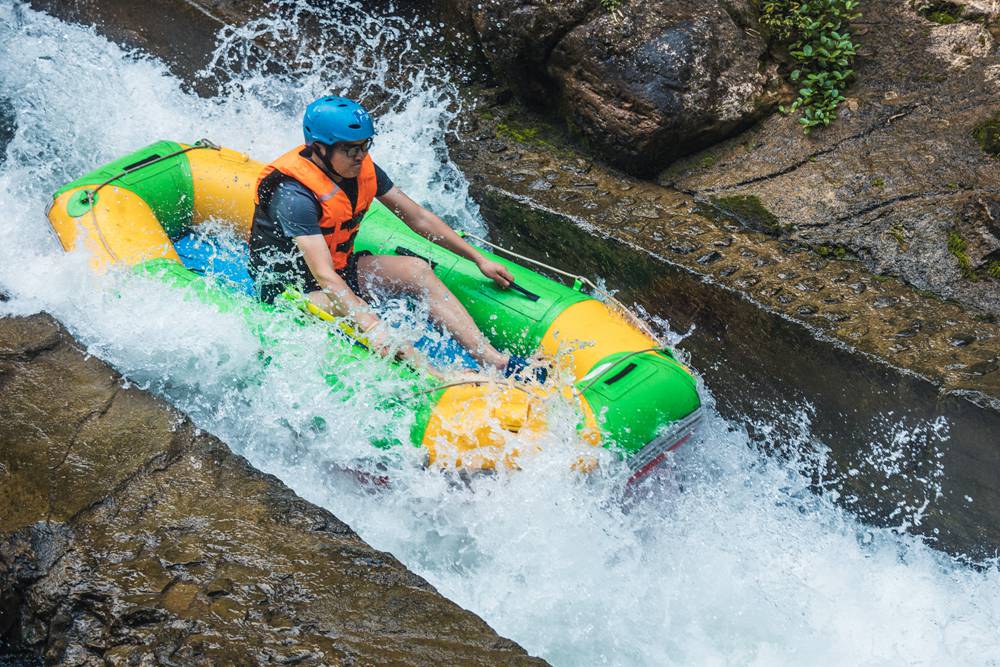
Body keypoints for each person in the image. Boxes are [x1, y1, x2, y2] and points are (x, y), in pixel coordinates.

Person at [249, 96, 542, 381]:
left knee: (416, 270)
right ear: (319, 149)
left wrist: (479, 259)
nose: (360, 155)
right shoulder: (293, 196)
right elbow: (323, 275)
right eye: (350, 149)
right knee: (376, 327)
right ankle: (439, 379)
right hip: (292, 291)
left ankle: (496, 361)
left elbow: (419, 218)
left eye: (365, 145)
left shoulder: (361, 169)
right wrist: (370, 323)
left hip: (339, 269)